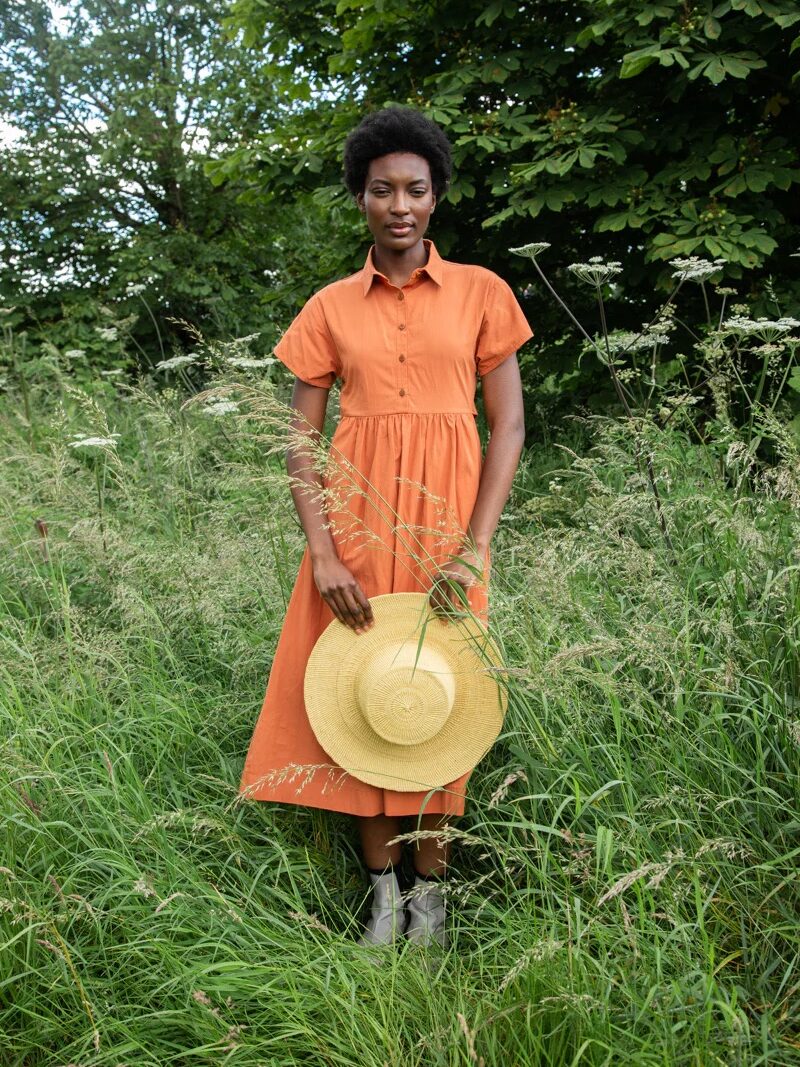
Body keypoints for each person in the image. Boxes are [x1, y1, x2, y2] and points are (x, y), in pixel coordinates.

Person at [238, 106, 533, 949]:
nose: (399, 204)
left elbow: (506, 427)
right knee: (358, 697)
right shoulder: (329, 306)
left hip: (449, 530)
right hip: (357, 528)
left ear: (436, 197)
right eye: (381, 190)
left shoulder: (483, 292)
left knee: (444, 697)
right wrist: (322, 550)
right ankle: (382, 898)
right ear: (360, 198)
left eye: (415, 188)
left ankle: (431, 901)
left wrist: (474, 544)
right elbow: (300, 439)